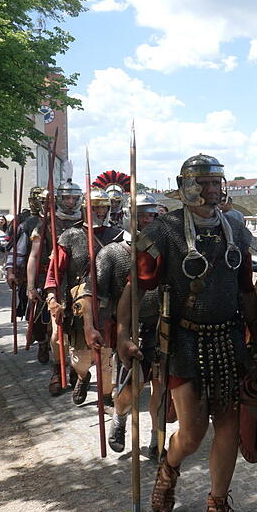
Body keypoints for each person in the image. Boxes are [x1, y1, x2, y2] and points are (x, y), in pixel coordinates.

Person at [133, 154, 255, 512]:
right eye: (203, 183)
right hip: (184, 340)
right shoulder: (163, 230)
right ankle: (169, 469)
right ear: (185, 185)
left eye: (216, 182)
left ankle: (217, 502)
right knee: (192, 434)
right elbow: (137, 289)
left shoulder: (235, 226)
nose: (211, 189)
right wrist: (125, 333)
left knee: (229, 425)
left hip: (229, 339)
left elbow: (246, 288)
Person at [79, 192, 163, 456]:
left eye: (152, 215)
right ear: (130, 217)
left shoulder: (165, 251)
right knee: (131, 386)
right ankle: (120, 416)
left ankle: (156, 439)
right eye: (142, 215)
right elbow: (93, 293)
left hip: (163, 327)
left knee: (161, 386)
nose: (148, 221)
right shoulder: (113, 253)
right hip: (129, 330)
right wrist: (89, 326)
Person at [44, 187, 122, 406]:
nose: (99, 211)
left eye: (103, 207)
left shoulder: (117, 235)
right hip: (78, 304)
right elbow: (54, 273)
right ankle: (82, 376)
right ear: (86, 209)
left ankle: (106, 395)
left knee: (106, 353)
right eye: (95, 207)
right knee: (80, 358)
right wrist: (53, 299)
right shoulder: (70, 236)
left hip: (110, 303)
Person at [28, 181, 85, 391]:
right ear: (59, 199)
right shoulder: (46, 224)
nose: (70, 202)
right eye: (66, 198)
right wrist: (31, 285)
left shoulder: (85, 220)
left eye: (74, 198)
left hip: (81, 283)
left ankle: (76, 371)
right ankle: (57, 370)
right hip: (57, 283)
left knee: (79, 333)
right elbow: (34, 255)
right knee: (57, 333)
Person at [6, 187, 48, 360]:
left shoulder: (60, 222)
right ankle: (43, 343)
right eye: (43, 202)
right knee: (37, 313)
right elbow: (19, 251)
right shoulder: (28, 224)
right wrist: (11, 270)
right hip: (37, 274)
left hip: (62, 274)